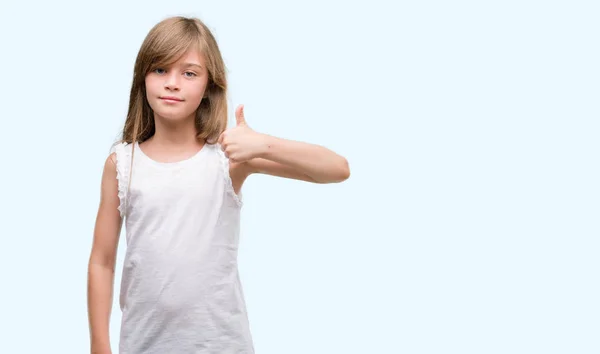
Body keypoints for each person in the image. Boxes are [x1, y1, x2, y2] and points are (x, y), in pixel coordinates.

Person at [87, 16, 350, 354]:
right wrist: (98, 345)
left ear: (209, 85)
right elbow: (102, 260)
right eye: (160, 70)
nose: (172, 83)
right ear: (142, 78)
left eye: (189, 73)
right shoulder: (122, 164)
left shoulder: (228, 159)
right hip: (143, 344)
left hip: (221, 344)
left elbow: (336, 169)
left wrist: (263, 144)